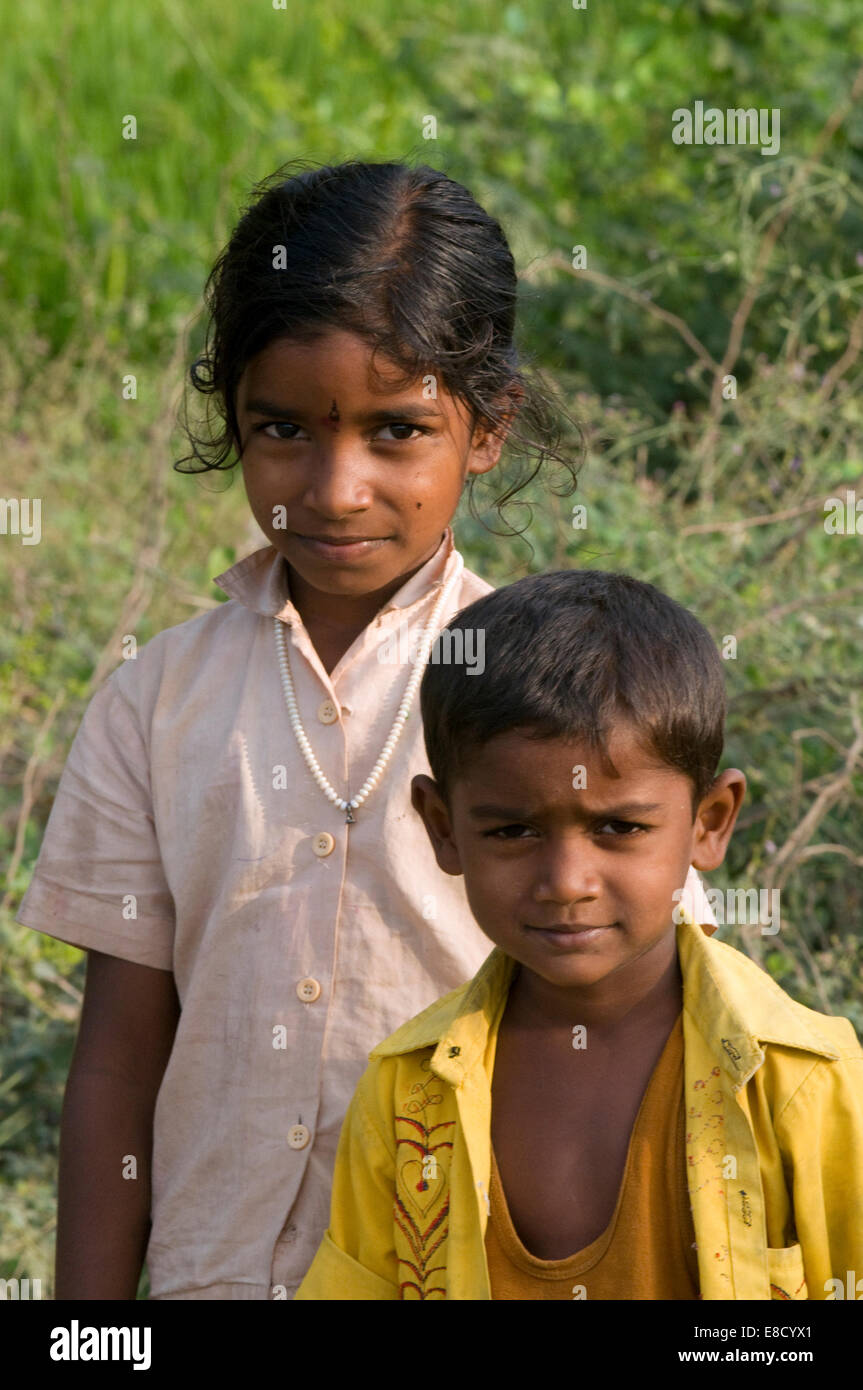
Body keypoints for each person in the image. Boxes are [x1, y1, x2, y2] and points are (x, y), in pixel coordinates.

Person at [19, 158, 719, 1301]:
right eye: (283, 427)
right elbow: (118, 1056)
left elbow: (659, 1028)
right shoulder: (156, 700)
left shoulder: (559, 695)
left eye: (397, 430)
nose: (335, 487)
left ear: (485, 428)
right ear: (230, 415)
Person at [295, 569, 863, 1301]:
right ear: (442, 828)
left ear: (709, 822)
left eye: (618, 827)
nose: (566, 881)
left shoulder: (802, 1086)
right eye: (513, 830)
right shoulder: (408, 1093)